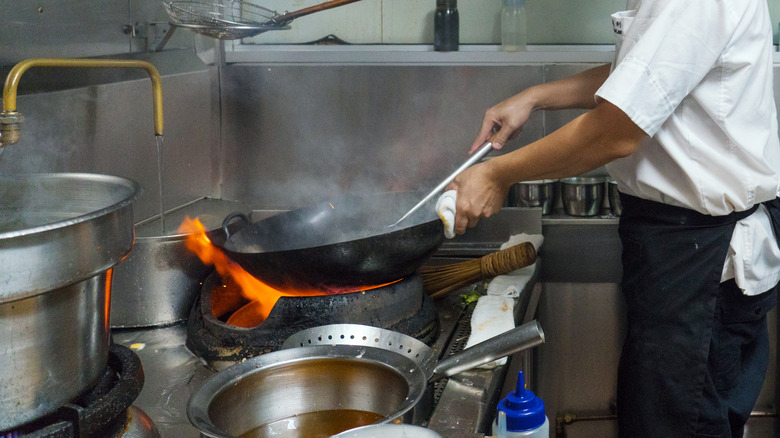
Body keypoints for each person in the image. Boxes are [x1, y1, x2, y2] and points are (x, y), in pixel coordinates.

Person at [446, 1, 780, 437]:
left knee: (677, 427)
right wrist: (535, 96)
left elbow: (616, 131)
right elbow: (647, 73)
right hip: (681, 250)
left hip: (700, 259)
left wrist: (498, 172)